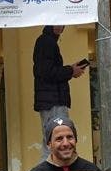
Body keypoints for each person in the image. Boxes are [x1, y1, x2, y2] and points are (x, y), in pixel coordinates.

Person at [32, 25, 86, 155]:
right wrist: (71, 71)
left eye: (62, 25)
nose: (61, 27)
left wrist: (70, 70)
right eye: (58, 24)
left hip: (51, 100)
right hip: (53, 101)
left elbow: (47, 70)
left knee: (54, 141)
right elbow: (47, 72)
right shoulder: (47, 42)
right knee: (56, 141)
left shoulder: (46, 41)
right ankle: (50, 168)